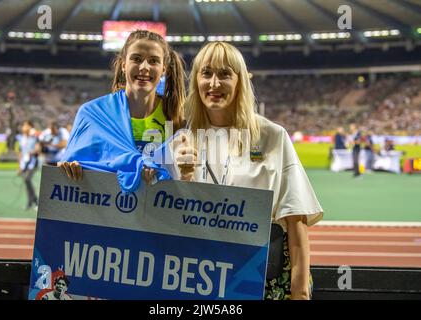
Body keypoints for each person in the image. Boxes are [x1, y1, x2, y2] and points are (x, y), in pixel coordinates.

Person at [179, 42, 323, 300]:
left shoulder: (272, 136)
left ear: (240, 81)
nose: (214, 83)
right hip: (204, 280)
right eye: (206, 73)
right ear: (196, 81)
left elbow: (296, 220)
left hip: (267, 281)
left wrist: (300, 293)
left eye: (225, 74)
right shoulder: (182, 142)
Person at [58, 30, 187, 190]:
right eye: (136, 59)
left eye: (153, 61)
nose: (144, 67)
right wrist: (71, 168)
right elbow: (74, 168)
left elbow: (183, 176)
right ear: (124, 65)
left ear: (163, 70)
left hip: (156, 210)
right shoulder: (92, 114)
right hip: (107, 211)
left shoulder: (176, 118)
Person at [17, 120, 39, 210]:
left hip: (33, 162)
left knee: (27, 179)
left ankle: (36, 201)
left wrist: (32, 152)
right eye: (23, 125)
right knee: (26, 182)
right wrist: (19, 166)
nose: (24, 127)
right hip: (24, 163)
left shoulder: (34, 136)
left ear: (31, 127)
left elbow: (38, 149)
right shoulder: (21, 138)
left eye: (26, 125)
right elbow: (20, 152)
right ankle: (30, 201)